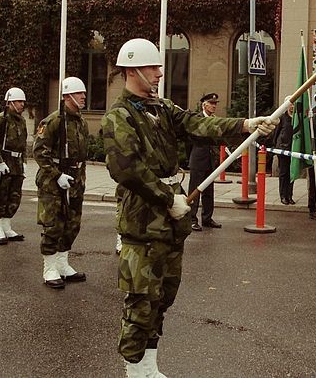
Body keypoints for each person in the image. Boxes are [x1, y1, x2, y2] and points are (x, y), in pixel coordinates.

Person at [101, 38, 276, 377]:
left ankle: (149, 366)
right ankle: (133, 369)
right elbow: (125, 169)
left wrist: (246, 124)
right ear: (133, 69)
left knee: (163, 298)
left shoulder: (162, 108)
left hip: (170, 224)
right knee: (141, 301)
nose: (160, 73)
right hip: (143, 223)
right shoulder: (118, 117)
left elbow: (199, 124)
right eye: (153, 67)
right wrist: (168, 199)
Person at [33, 77, 90, 289]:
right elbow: (39, 152)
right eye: (79, 93)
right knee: (53, 224)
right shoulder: (54, 121)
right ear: (66, 96)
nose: (83, 96)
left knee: (72, 224)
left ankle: (62, 263)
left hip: (75, 180)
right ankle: (49, 267)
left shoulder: (81, 121)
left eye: (84, 93)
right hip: (52, 182)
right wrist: (57, 175)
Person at [0, 87, 28, 245]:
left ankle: (6, 226)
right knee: (0, 196)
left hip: (16, 163)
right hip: (4, 162)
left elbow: (22, 144)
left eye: (23, 101)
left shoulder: (21, 120)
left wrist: (24, 161)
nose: (22, 104)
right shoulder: (2, 119)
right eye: (18, 101)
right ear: (10, 102)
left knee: (14, 197)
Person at [188, 92, 223, 232]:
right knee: (195, 191)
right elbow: (190, 141)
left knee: (209, 191)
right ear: (204, 104)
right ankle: (191, 219)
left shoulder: (214, 119)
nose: (214, 106)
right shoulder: (198, 119)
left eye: (215, 104)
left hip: (209, 160)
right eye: (212, 103)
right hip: (198, 159)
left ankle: (207, 218)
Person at [271, 101, 295, 205]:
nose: (292, 107)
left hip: (293, 149)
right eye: (290, 105)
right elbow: (276, 133)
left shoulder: (296, 118)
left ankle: (289, 195)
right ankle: (283, 195)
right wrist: (276, 146)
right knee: (284, 173)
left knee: (292, 173)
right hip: (283, 149)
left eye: (294, 105)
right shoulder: (282, 118)